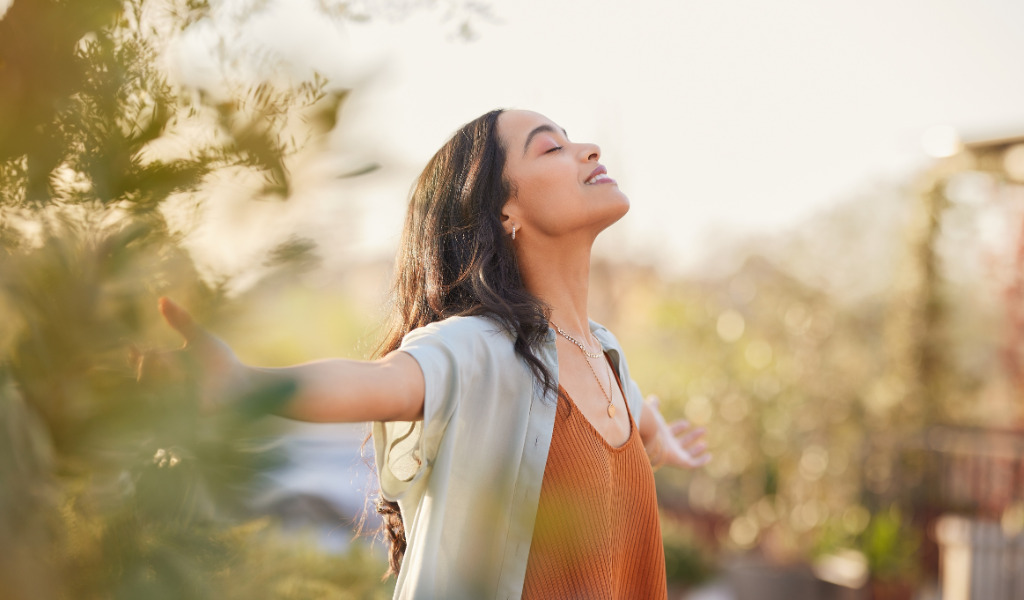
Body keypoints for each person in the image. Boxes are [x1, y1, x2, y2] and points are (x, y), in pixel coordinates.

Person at [156, 109, 710, 599]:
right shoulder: (480, 348)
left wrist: (654, 436)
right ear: (504, 213)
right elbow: (379, 383)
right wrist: (244, 384)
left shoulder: (605, 352)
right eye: (551, 147)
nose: (588, 149)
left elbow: (629, 414)